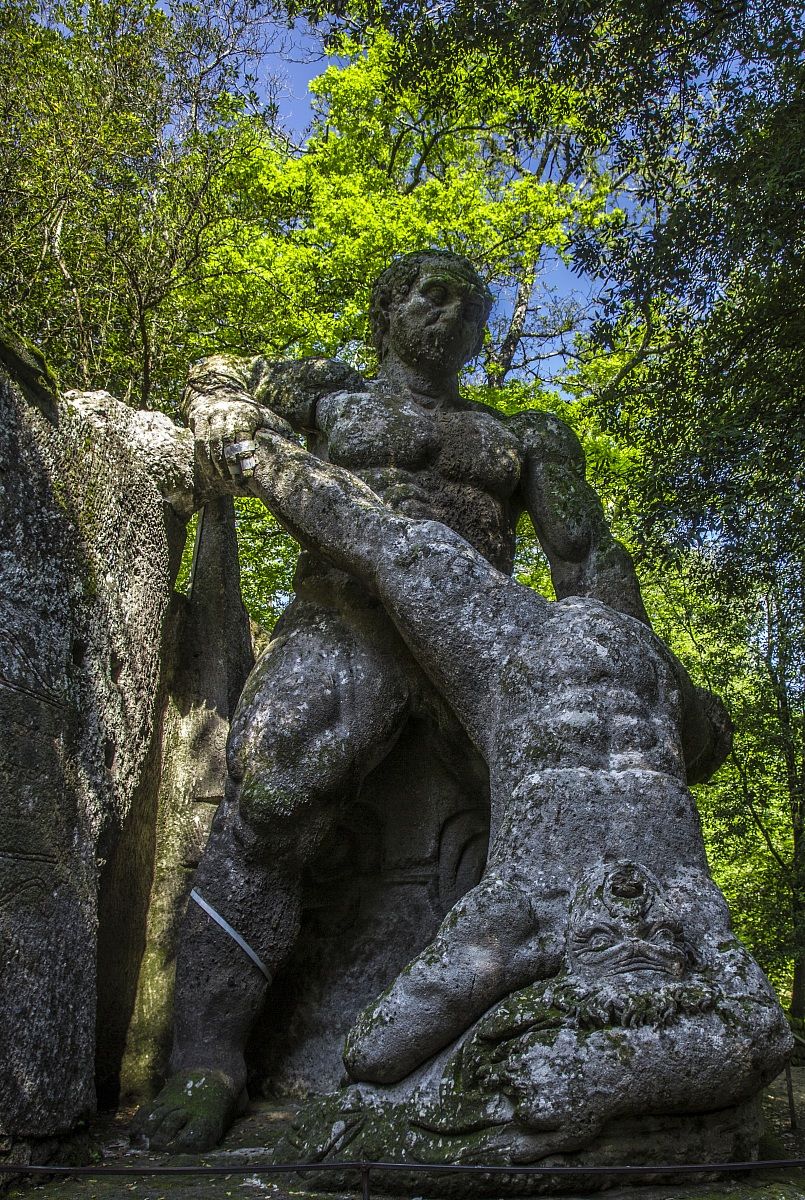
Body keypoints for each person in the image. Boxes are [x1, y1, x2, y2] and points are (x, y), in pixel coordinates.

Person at [132, 251, 727, 1151]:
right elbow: (217, 379)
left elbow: (585, 553)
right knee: (275, 795)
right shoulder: (332, 397)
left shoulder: (520, 434)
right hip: (347, 616)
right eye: (430, 294)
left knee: (570, 812)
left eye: (470, 305)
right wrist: (228, 412)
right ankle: (206, 1061)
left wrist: (643, 668)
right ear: (387, 308)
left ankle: (589, 1025)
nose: (451, 316)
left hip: (478, 639)